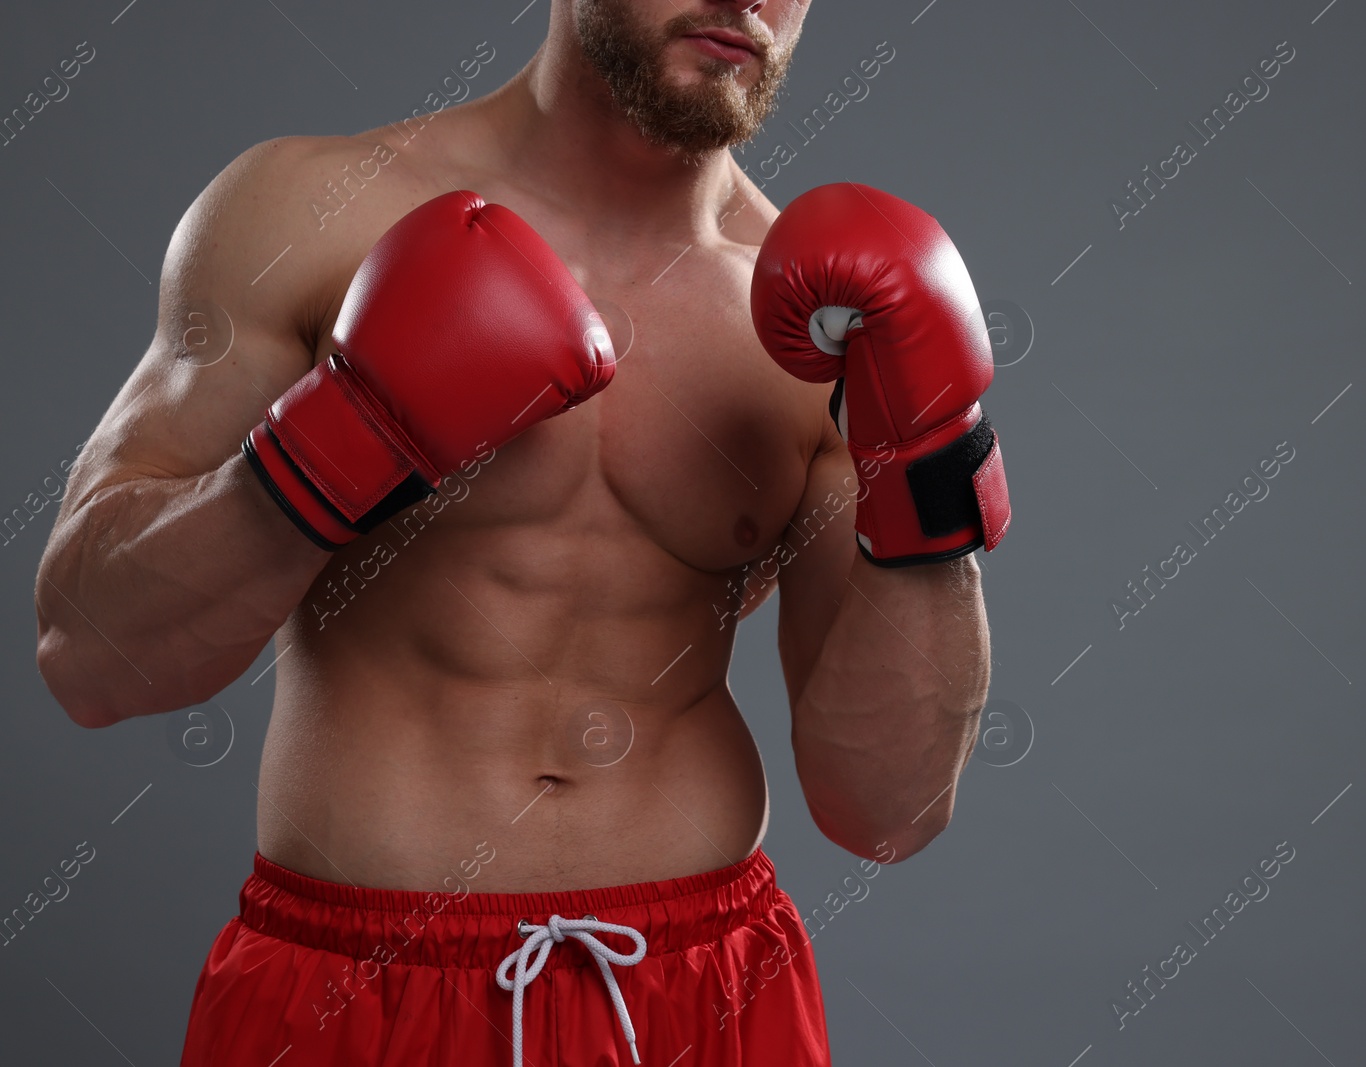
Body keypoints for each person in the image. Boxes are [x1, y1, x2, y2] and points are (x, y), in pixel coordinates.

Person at [33, 1, 1010, 1063]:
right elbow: (91, 658)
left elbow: (889, 808)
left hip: (695, 995)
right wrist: (340, 439)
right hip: (358, 995)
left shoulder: (816, 328)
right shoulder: (311, 211)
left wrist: (929, 466)